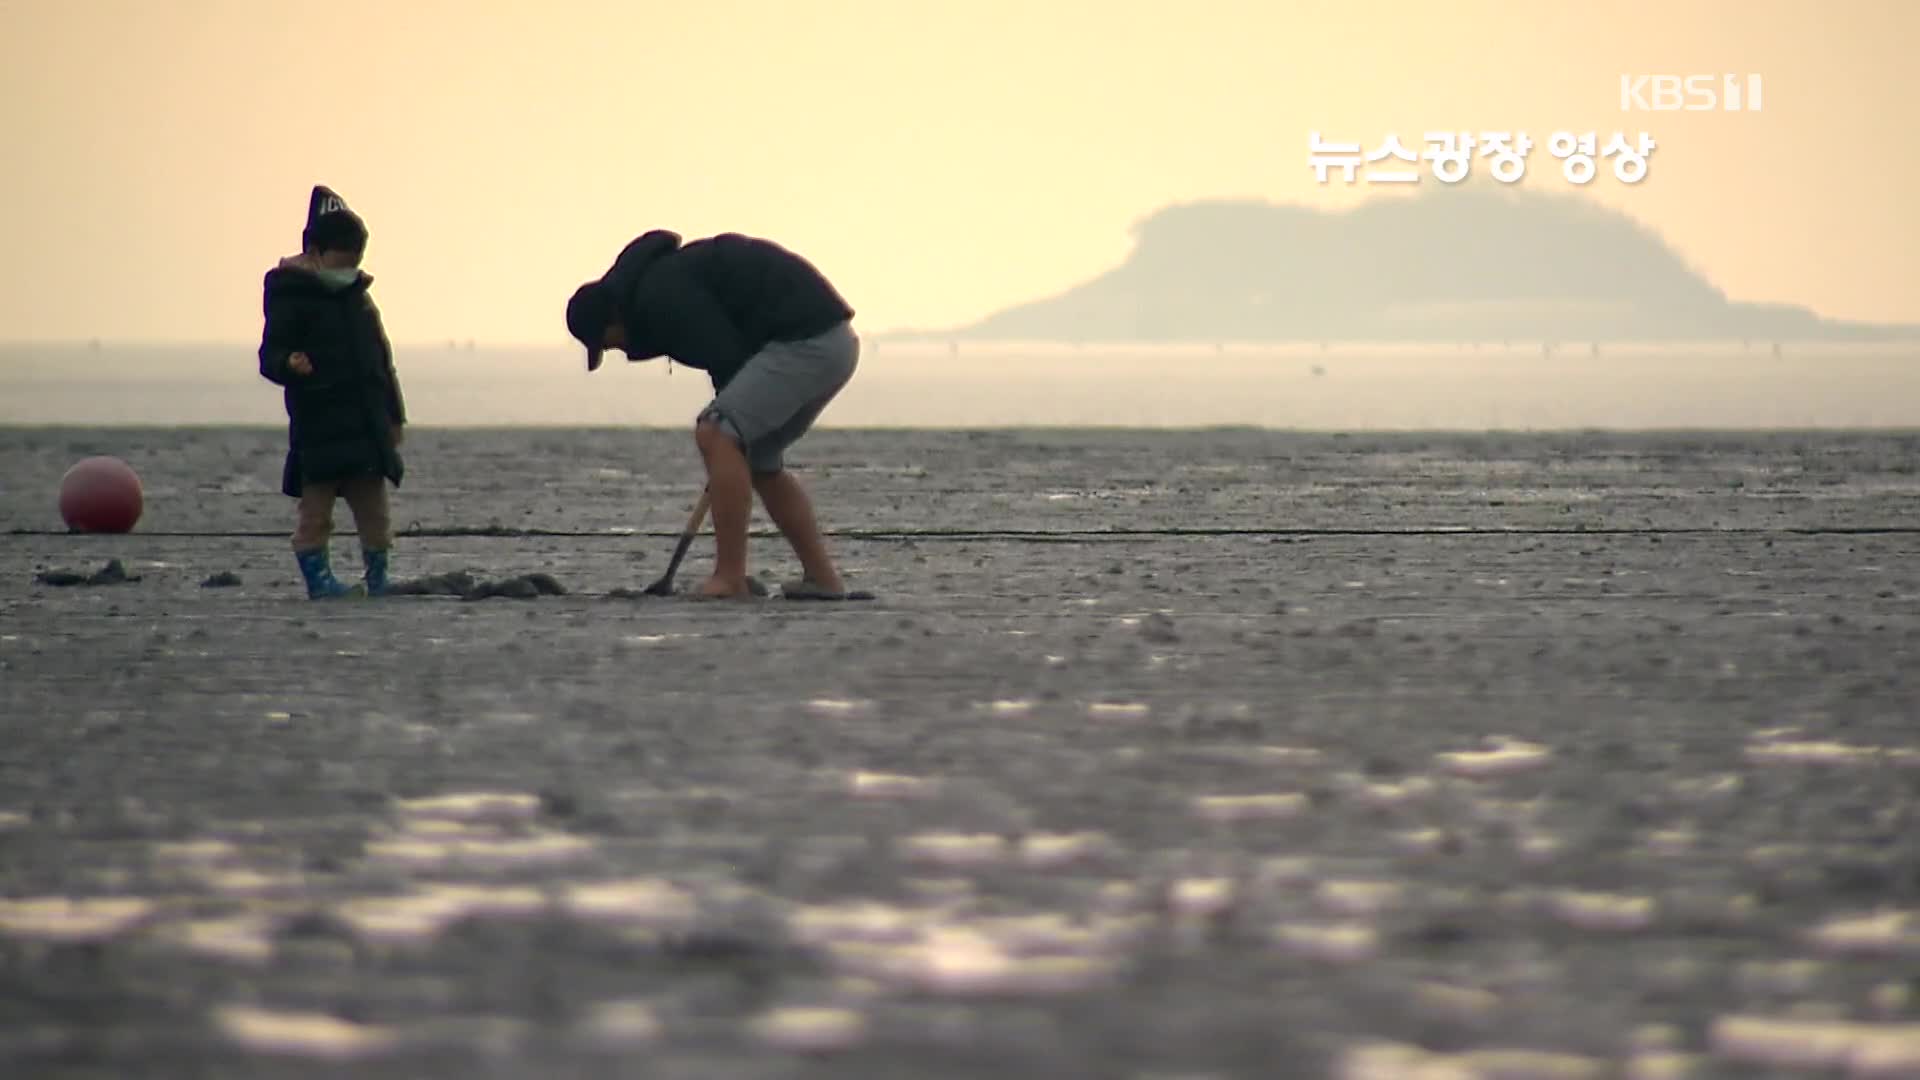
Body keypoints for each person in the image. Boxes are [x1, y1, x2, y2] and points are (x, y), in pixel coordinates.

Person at [566, 230, 860, 600]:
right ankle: (823, 580)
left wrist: (726, 441)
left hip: (807, 342)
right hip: (832, 344)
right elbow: (728, 358)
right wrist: (732, 449)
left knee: (716, 433)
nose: (619, 349)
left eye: (608, 341)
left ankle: (729, 579)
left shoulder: (661, 297)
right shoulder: (657, 286)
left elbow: (728, 359)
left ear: (613, 316)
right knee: (759, 461)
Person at [258, 186, 408, 599]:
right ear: (317, 253)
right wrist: (289, 363)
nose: (349, 270)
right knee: (315, 514)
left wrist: (394, 416)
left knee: (374, 514)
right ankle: (318, 579)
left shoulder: (360, 300)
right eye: (343, 262)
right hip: (318, 428)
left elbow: (382, 362)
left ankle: (377, 575)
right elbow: (270, 354)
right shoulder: (290, 296)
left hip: (364, 427)